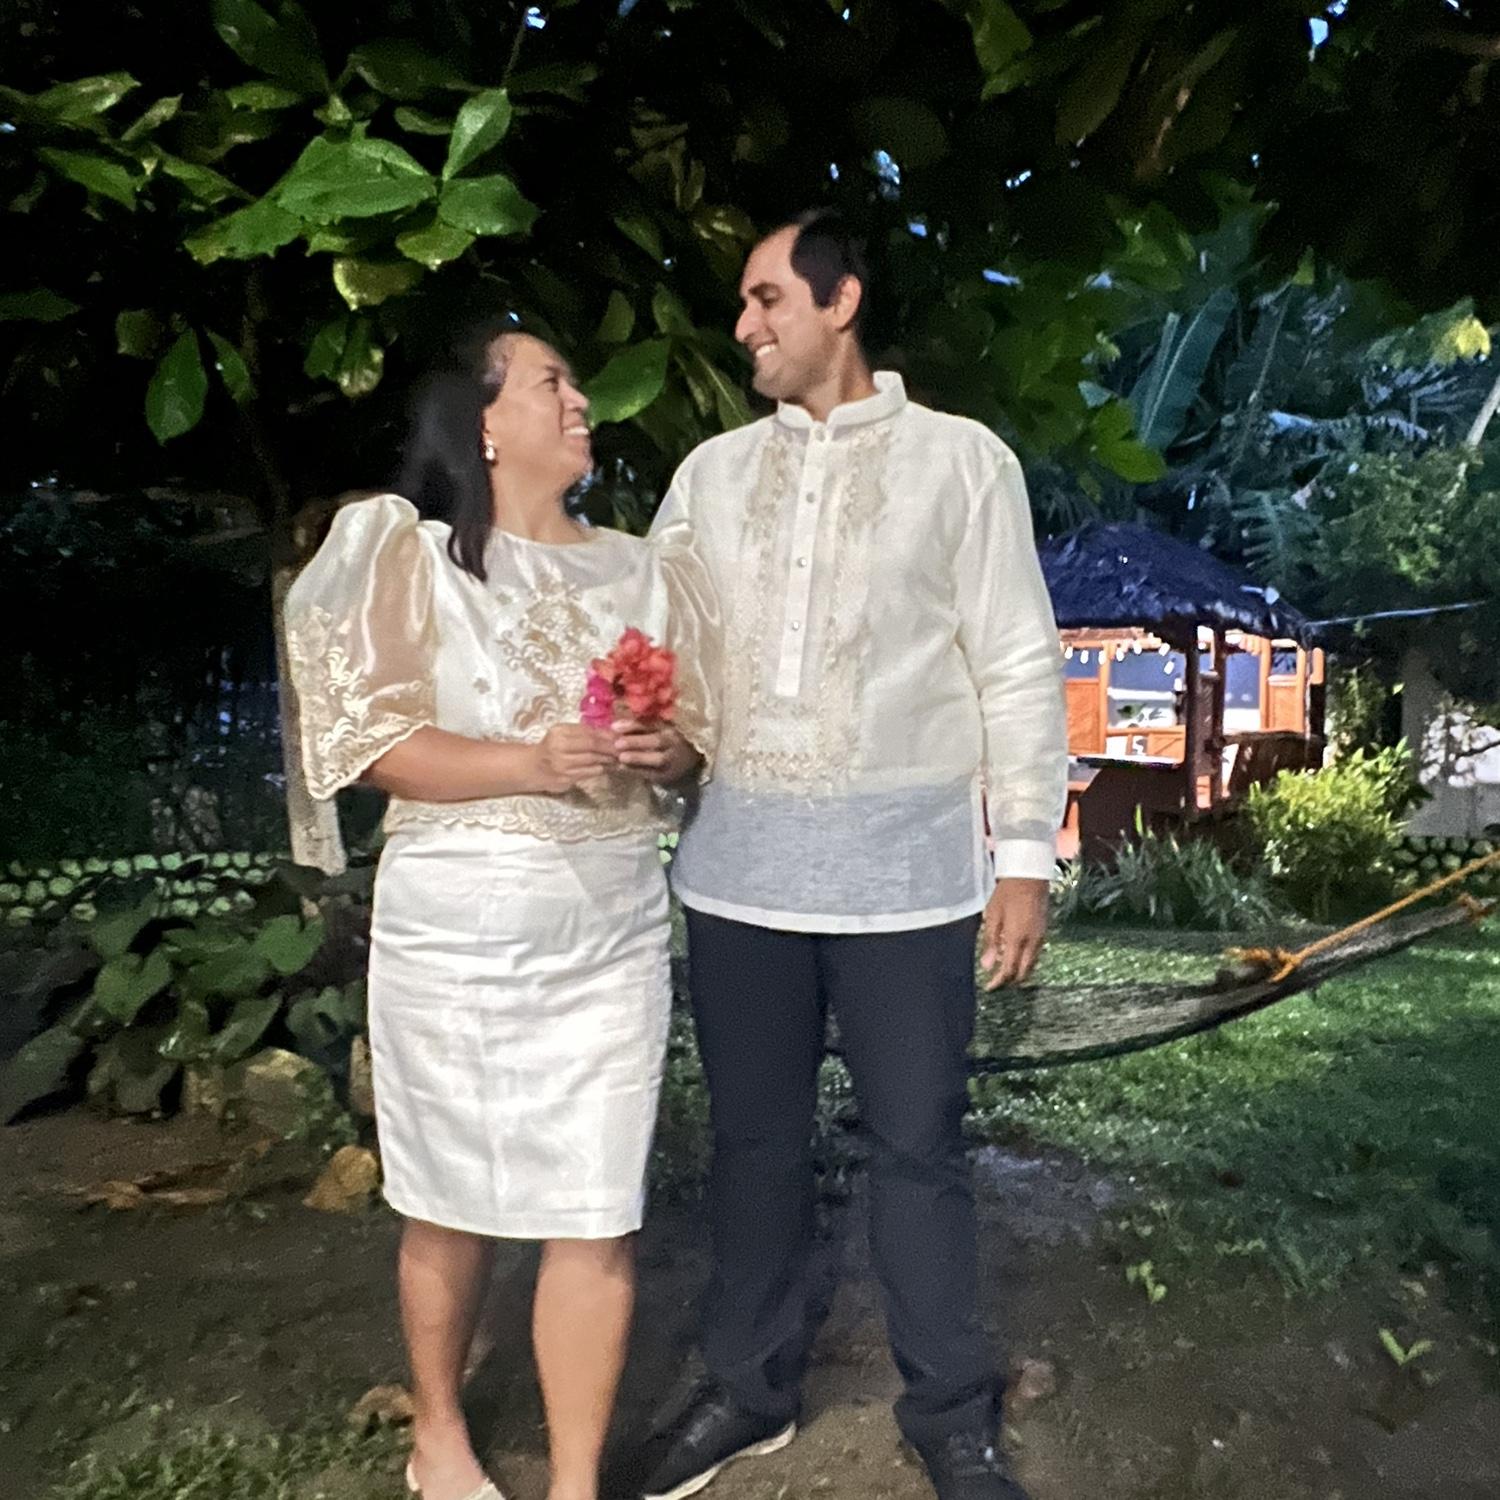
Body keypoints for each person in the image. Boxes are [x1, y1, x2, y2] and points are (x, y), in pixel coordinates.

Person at [630, 211, 1069, 1500]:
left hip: (908, 880)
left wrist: (1026, 855)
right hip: (739, 878)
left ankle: (949, 1408)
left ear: (842, 302)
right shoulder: (709, 477)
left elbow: (1016, 660)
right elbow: (669, 649)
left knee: (919, 1146)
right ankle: (751, 1387)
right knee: (755, 1144)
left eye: (766, 300)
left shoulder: (961, 465)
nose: (745, 326)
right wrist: (665, 737)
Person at [284, 327, 708, 1500]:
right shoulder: (407, 557)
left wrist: (659, 747)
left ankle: (576, 1485)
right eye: (553, 383)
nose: (581, 400)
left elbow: (681, 755)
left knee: (595, 1207)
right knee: (448, 1200)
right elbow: (369, 746)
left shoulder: (641, 570)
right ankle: (440, 1435)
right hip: (457, 929)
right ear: (484, 422)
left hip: (609, 924)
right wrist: (530, 762)